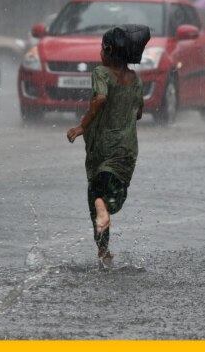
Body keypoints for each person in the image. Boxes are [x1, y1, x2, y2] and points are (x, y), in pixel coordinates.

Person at [66, 25, 148, 267]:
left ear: (109, 51)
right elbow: (139, 113)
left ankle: (103, 249)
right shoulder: (136, 80)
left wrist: (82, 126)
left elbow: (100, 97)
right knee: (117, 193)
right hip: (126, 149)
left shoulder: (101, 73)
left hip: (103, 146)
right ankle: (105, 216)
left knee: (95, 196)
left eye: (102, 47)